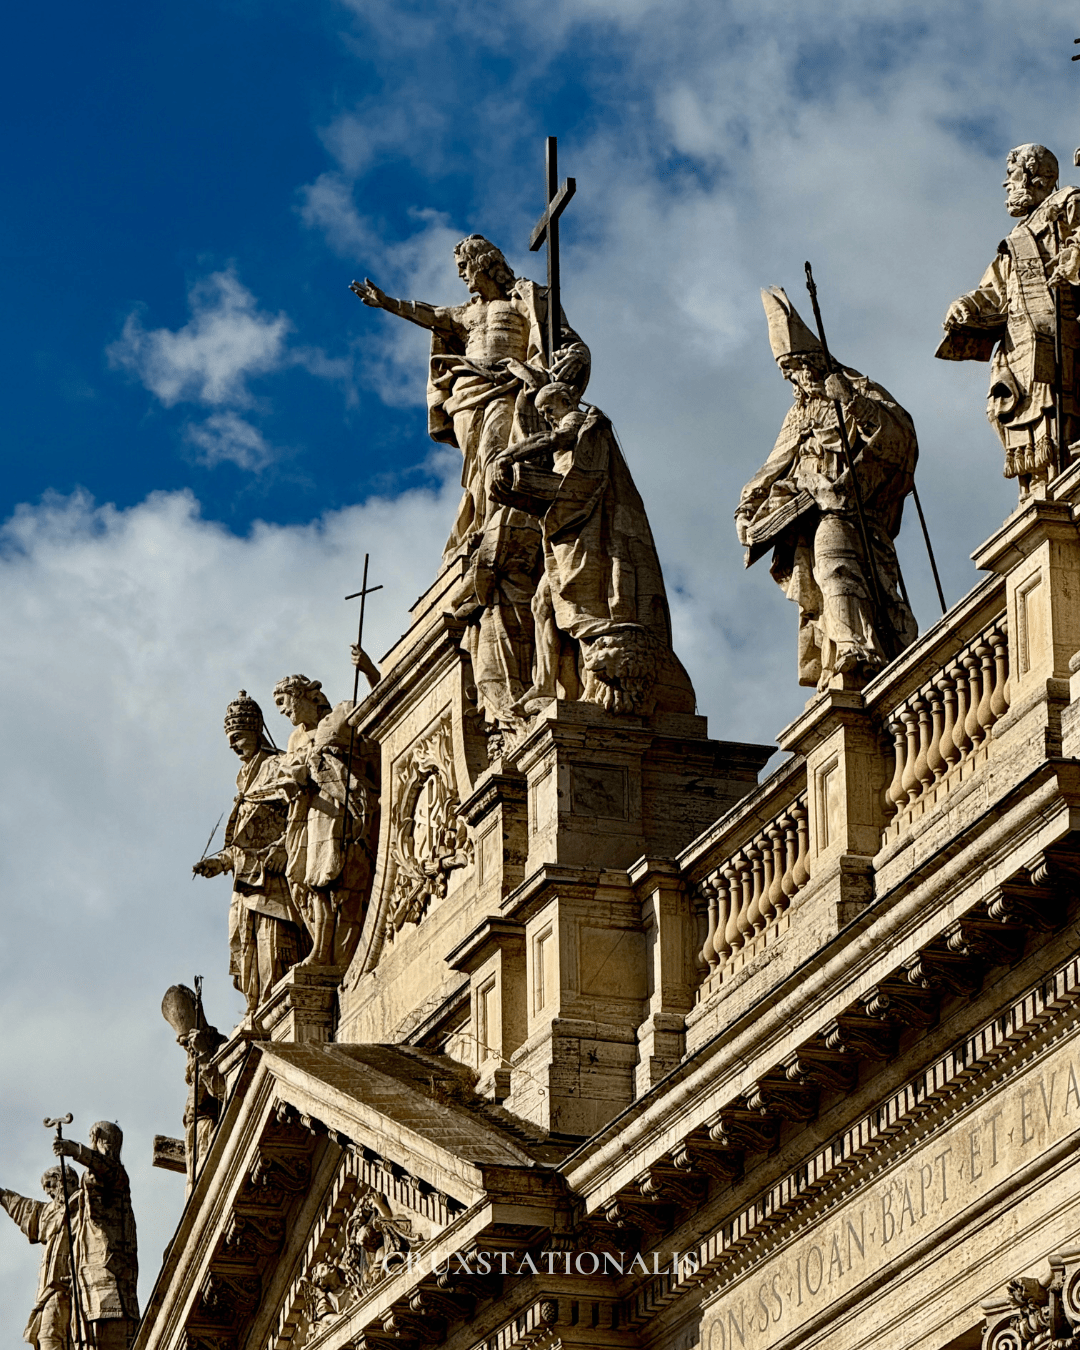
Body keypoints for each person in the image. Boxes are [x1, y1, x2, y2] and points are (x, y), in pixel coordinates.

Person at [351, 236, 590, 723]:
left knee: (504, 452)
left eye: (467, 267)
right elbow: (431, 314)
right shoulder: (465, 315)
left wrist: (567, 361)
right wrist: (386, 302)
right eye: (460, 269)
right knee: (480, 465)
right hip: (470, 388)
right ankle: (484, 516)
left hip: (512, 384)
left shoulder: (527, 298)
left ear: (489, 265)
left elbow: (566, 340)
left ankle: (502, 512)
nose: (463, 277)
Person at [736, 287, 918, 691]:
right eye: (785, 370)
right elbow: (774, 464)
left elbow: (900, 440)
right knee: (828, 568)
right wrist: (747, 506)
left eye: (794, 367)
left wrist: (852, 403)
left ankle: (861, 647)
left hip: (860, 510)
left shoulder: (857, 388)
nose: (791, 378)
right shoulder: (798, 412)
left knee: (847, 572)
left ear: (812, 362)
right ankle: (848, 648)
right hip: (820, 510)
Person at [490, 382, 697, 717]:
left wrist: (511, 454)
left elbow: (557, 440)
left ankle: (588, 685)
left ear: (566, 400)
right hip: (570, 533)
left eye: (550, 410)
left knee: (576, 609)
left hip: (592, 539)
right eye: (543, 413)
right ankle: (545, 684)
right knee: (543, 603)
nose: (549, 418)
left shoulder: (580, 423)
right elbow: (562, 490)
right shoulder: (573, 443)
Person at [937, 143, 1080, 493]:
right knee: (1007, 406)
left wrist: (1072, 258)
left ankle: (1057, 476)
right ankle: (1035, 483)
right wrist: (967, 305)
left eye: (1011, 174)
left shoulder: (1067, 202)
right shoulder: (1017, 235)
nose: (1006, 184)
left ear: (1034, 176)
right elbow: (996, 289)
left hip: (1054, 325)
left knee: (1054, 400)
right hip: (1016, 338)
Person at [252, 662, 380, 970]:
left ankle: (337, 953)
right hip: (310, 812)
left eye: (283, 701)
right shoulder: (294, 740)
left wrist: (369, 671)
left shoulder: (340, 714)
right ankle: (322, 950)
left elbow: (383, 713)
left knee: (335, 879)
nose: (282, 711)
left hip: (339, 806)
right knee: (312, 883)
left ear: (304, 695)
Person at [193, 691, 307, 1013]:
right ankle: (256, 1009)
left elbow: (301, 806)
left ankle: (277, 1009)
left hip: (274, 878)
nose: (233, 746)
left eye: (238, 737)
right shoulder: (243, 779)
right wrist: (220, 862)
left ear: (256, 731)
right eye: (230, 739)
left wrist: (284, 847)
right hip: (246, 879)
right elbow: (243, 839)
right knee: (248, 950)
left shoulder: (276, 766)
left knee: (273, 945)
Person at [53, 1122, 138, 1350]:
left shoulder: (116, 1175)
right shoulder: (89, 1193)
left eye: (95, 1138)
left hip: (111, 1279)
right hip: (87, 1281)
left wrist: (77, 1151)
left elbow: (105, 1168)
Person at [0, 1165, 77, 1350]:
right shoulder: (49, 1212)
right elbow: (25, 1208)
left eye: (51, 1185)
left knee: (50, 1335)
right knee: (47, 1337)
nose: (49, 1193)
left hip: (70, 1284)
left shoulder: (86, 1202)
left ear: (65, 1180)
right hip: (52, 1287)